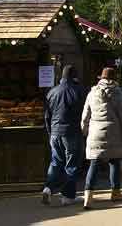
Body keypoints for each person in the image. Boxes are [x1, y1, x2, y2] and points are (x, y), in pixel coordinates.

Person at [81, 67, 122, 209]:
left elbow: (85, 116)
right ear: (114, 78)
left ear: (101, 78)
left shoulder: (92, 93)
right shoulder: (118, 93)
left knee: (94, 164)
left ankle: (88, 196)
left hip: (95, 133)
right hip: (114, 133)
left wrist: (85, 130)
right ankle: (115, 192)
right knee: (114, 162)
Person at [41, 65, 87, 206]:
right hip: (71, 132)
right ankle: (68, 196)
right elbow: (83, 114)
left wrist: (50, 132)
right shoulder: (78, 91)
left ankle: (48, 188)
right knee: (71, 164)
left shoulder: (52, 92)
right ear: (74, 76)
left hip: (55, 132)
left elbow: (47, 115)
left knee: (56, 162)